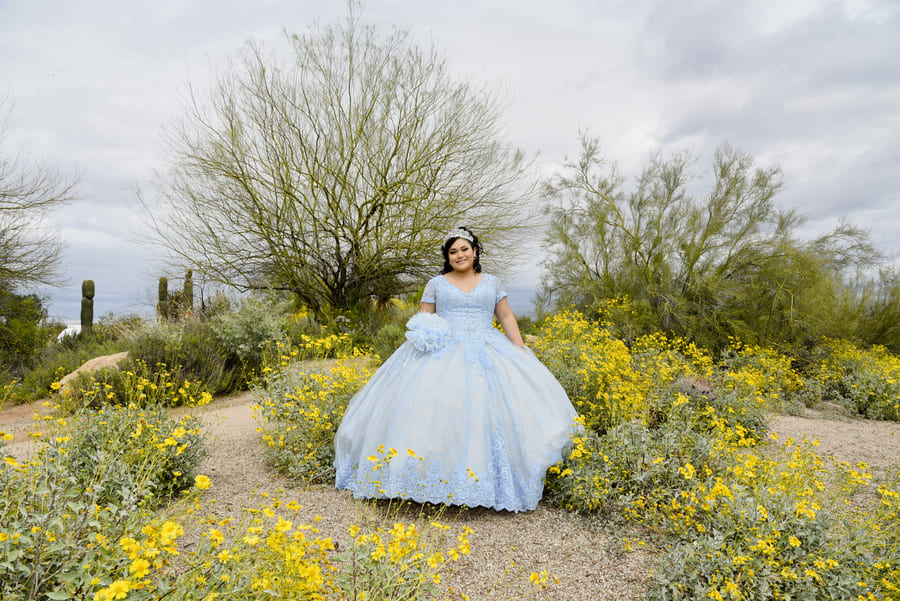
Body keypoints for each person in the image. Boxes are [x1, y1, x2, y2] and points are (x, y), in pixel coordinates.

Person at [334, 227, 578, 512]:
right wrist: (423, 336)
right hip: (442, 351)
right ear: (447, 257)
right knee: (435, 411)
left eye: (464, 249)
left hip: (488, 348)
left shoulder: (492, 283)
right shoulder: (437, 283)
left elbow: (506, 315)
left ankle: (494, 478)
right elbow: (423, 319)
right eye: (453, 252)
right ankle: (427, 478)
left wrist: (520, 348)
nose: (459, 255)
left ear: (475, 251)